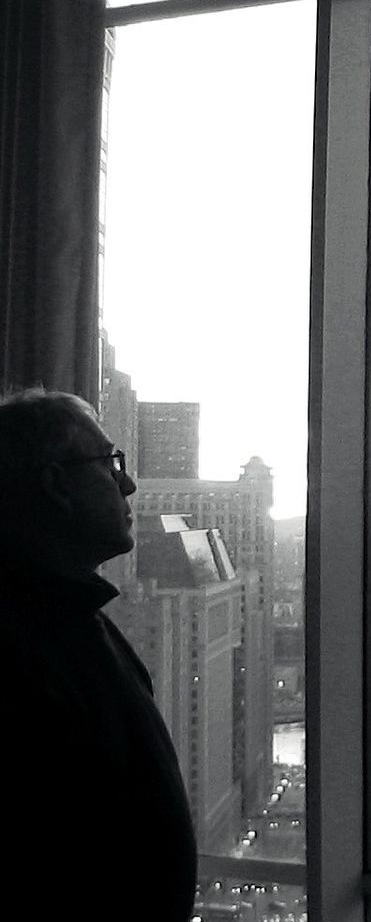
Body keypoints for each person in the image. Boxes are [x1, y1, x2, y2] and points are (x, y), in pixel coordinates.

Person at [0, 388, 197, 919]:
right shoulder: (20, 650)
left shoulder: (80, 619)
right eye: (109, 464)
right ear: (56, 485)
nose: (128, 483)